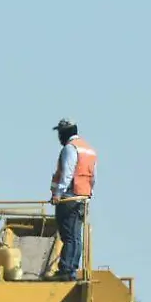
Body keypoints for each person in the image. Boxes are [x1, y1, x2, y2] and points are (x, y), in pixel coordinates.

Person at [49, 118, 97, 281]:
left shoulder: (70, 149)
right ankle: (71, 268)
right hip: (83, 197)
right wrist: (89, 194)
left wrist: (58, 194)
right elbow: (93, 176)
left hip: (69, 197)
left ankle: (66, 269)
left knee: (68, 235)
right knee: (76, 236)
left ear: (64, 134)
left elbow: (67, 174)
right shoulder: (88, 150)